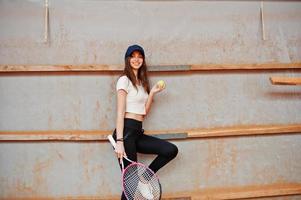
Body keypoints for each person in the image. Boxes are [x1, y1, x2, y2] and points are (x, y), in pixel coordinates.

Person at [112, 44, 178, 199]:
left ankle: (145, 179)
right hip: (126, 133)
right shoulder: (124, 80)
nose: (136, 59)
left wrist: (153, 92)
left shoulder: (142, 83)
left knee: (170, 150)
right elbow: (120, 112)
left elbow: (144, 112)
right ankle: (138, 182)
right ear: (128, 60)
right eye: (133, 56)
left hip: (137, 132)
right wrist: (120, 141)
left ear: (143, 59)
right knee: (131, 182)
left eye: (139, 56)